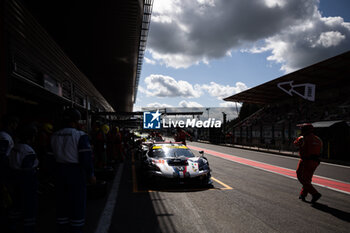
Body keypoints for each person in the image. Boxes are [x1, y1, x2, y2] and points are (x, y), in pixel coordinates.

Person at [51, 108, 96, 233]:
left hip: (59, 171)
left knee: (61, 203)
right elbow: (85, 158)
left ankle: (62, 229)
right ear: (76, 121)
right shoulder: (80, 136)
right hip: (75, 172)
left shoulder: (54, 135)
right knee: (77, 204)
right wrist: (91, 174)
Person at [8, 124, 39, 233]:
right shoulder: (28, 150)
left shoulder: (14, 147)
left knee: (15, 205)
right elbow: (27, 170)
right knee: (29, 206)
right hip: (26, 181)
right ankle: (28, 228)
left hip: (14, 178)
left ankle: (13, 225)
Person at [294, 123, 323, 203]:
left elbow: (295, 143)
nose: (300, 130)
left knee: (301, 177)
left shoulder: (302, 138)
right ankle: (303, 194)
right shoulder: (318, 139)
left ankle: (315, 193)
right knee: (307, 179)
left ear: (305, 130)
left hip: (306, 160)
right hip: (316, 161)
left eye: (301, 129)